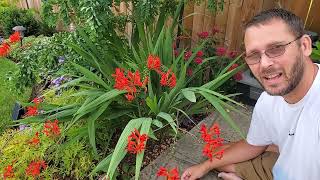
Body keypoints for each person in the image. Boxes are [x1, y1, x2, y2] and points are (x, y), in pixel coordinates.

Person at [181, 8, 320, 180]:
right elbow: (252, 146)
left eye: (276, 48)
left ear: (304, 46)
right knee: (217, 154)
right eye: (254, 55)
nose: (264, 64)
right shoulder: (268, 100)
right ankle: (275, 148)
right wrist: (204, 166)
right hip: (285, 163)